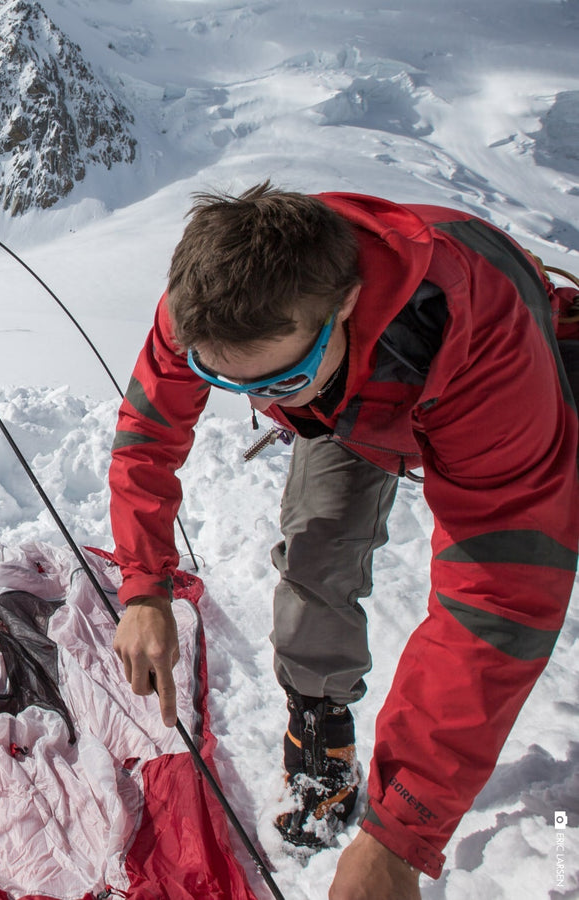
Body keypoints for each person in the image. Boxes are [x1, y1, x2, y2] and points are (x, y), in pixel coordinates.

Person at [107, 183, 578, 899]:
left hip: (466, 374)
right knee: (315, 546)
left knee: (545, 535)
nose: (257, 401)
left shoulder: (487, 347)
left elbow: (498, 597)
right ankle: (317, 721)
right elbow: (147, 435)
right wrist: (144, 588)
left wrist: (400, 835)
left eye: (280, 379)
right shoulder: (211, 297)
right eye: (218, 378)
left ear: (346, 307)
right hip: (352, 399)